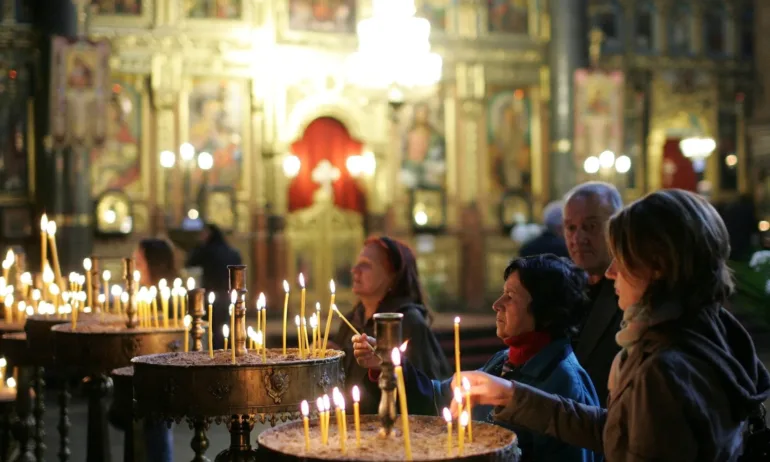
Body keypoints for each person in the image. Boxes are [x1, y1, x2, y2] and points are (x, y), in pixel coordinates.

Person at [461, 189, 770, 461]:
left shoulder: (663, 370)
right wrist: (511, 395)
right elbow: (619, 432)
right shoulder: (704, 328)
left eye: (621, 258)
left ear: (657, 267)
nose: (610, 272)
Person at [354, 254, 600, 462]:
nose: (497, 304)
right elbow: (438, 400)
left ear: (546, 310)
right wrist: (388, 366)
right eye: (502, 293)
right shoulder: (504, 361)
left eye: (511, 296)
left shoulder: (565, 383)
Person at [330, 236, 451, 414]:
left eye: (366, 264)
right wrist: (331, 358)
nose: (355, 270)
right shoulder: (352, 318)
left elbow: (423, 393)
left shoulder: (407, 322)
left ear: (393, 275)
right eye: (357, 264)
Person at [563, 181, 623, 403]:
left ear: (617, 225)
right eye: (571, 228)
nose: (578, 239)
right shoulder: (564, 289)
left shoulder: (632, 294)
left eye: (591, 226)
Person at [132, 238, 177, 462]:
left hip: (162, 373)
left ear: (153, 263)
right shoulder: (141, 295)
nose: (135, 265)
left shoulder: (167, 299)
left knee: (158, 429)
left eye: (139, 261)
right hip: (146, 371)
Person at [185, 224, 242, 349]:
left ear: (209, 234)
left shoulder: (206, 251)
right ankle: (224, 351)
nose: (201, 236)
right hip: (227, 295)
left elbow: (190, 262)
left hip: (210, 294)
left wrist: (199, 246)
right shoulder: (232, 251)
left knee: (210, 326)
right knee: (224, 327)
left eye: (203, 233)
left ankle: (212, 351)